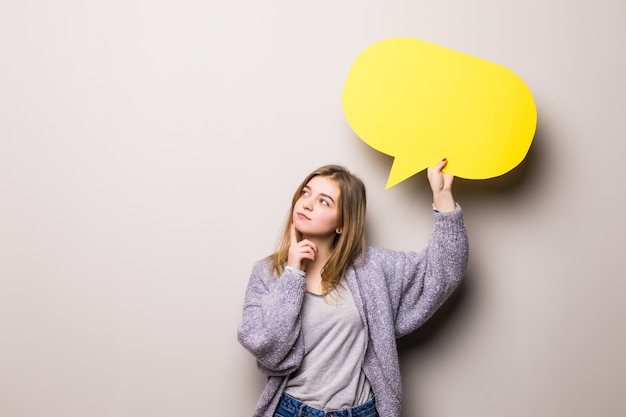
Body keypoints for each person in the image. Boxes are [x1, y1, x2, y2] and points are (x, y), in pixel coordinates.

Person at [237, 159, 469, 417]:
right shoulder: (268, 274)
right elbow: (269, 350)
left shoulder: (372, 270)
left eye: (324, 201)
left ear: (342, 224)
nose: (307, 203)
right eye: (306, 192)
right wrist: (293, 273)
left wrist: (443, 196)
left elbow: (442, 272)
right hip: (292, 411)